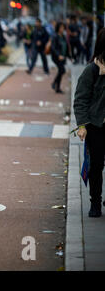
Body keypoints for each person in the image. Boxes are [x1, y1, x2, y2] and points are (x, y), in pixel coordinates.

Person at [73, 27, 105, 218]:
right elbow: (80, 99)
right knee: (96, 166)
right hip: (96, 126)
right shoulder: (91, 70)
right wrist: (82, 125)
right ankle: (95, 202)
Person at [50, 21, 70, 94]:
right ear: (58, 28)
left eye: (63, 27)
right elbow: (53, 47)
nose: (62, 29)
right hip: (57, 57)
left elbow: (66, 46)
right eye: (61, 27)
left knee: (61, 71)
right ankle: (55, 84)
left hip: (63, 57)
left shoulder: (63, 36)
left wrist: (69, 56)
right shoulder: (55, 36)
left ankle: (57, 87)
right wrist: (58, 55)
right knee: (62, 70)